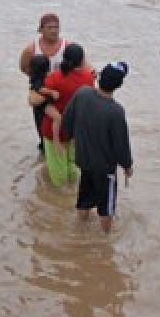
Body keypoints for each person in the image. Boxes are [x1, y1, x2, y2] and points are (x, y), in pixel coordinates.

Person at [60, 62, 133, 233]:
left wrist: (70, 138)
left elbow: (66, 121)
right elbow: (121, 144)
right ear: (119, 85)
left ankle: (80, 229)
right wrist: (127, 165)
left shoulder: (82, 93)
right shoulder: (116, 111)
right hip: (104, 169)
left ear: (99, 77)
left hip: (84, 161)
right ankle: (105, 238)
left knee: (84, 197)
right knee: (106, 207)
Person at [35, 43, 96, 187]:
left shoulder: (54, 78)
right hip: (75, 130)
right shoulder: (88, 78)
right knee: (73, 166)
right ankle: (72, 196)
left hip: (53, 130)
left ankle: (57, 201)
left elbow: (37, 98)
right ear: (82, 60)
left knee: (58, 169)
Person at [19, 12, 67, 79]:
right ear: (40, 30)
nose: (53, 31)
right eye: (49, 28)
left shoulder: (67, 47)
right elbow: (24, 68)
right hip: (40, 86)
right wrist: (40, 77)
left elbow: (83, 69)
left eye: (56, 27)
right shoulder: (31, 50)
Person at [26, 54, 52, 151]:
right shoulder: (46, 81)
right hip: (45, 110)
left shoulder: (33, 80)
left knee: (40, 129)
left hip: (37, 111)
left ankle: (43, 146)